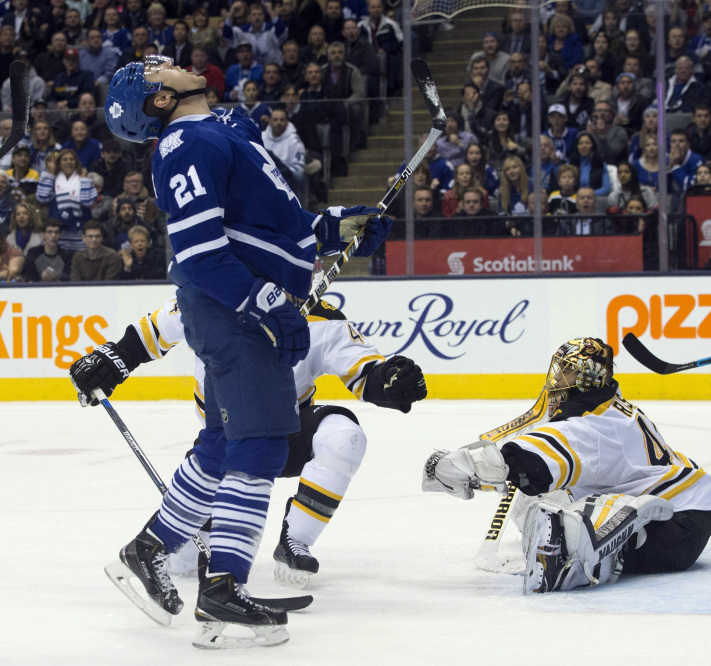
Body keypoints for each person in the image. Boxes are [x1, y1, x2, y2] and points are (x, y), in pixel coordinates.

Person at [98, 55, 392, 648]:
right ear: (157, 100)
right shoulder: (185, 145)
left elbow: (278, 224)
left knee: (222, 443)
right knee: (257, 446)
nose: (172, 63)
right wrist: (269, 303)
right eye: (159, 68)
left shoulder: (226, 129)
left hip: (241, 305)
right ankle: (223, 587)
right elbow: (202, 252)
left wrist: (337, 228)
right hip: (232, 310)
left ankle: (149, 549)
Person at [69, 294, 427, 589]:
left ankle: (295, 540)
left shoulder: (321, 317)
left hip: (286, 432)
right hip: (224, 442)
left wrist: (388, 380)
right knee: (182, 562)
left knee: (344, 437)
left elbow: (365, 370)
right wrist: (114, 358)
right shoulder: (217, 295)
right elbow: (152, 332)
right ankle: (157, 553)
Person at [422, 337, 711, 593]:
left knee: (550, 509)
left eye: (564, 373)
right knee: (546, 494)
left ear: (585, 378)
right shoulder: (611, 405)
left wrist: (459, 467)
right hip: (690, 512)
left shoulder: (588, 428)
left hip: (670, 532)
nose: (556, 381)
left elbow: (519, 464)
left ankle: (580, 561)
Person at [36, 148, 96, 252]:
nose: (68, 162)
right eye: (65, 159)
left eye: (72, 159)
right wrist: (50, 174)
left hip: (80, 232)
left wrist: (83, 180)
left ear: (76, 163)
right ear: (59, 163)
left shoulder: (84, 181)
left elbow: (87, 201)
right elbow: (42, 197)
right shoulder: (51, 180)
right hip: (57, 233)